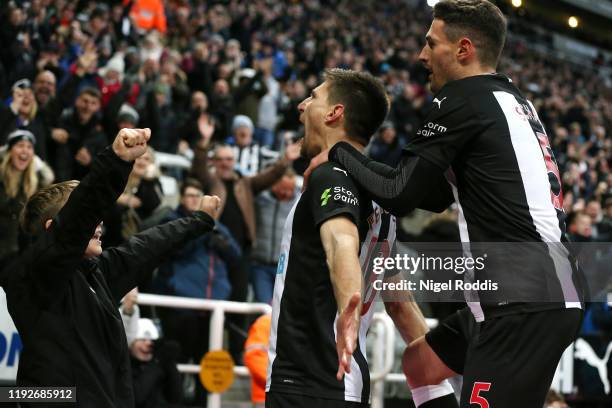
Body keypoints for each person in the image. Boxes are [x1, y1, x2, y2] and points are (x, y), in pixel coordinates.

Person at [304, 1, 584, 407]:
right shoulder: (508, 98)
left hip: (522, 302)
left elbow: (400, 194)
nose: (421, 55)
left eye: (430, 43)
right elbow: (429, 194)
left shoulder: (461, 96)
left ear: (463, 50)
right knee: (420, 365)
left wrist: (338, 151)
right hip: (535, 292)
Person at [266, 68, 455, 408]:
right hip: (349, 384)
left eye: (313, 97)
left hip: (309, 380)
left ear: (334, 113)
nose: (301, 105)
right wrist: (438, 391)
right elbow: (398, 303)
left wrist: (347, 307)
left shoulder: (330, 175)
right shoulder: (381, 200)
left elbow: (341, 242)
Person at [0, 127, 220, 407]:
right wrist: (116, 161)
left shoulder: (96, 273)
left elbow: (145, 247)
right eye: (91, 219)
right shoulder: (33, 275)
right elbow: (82, 211)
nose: (100, 224)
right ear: (54, 228)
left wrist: (197, 220)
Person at [0, 130, 54, 270]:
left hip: (21, 255)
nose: (25, 150)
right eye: (20, 145)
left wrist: (41, 168)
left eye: (29, 147)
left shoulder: (37, 183)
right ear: (9, 151)